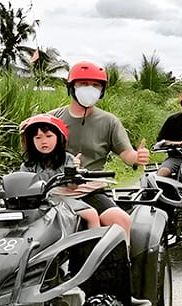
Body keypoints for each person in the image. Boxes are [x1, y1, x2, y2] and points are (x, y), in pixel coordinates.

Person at [49, 61, 149, 235]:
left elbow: (126, 153)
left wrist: (137, 157)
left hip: (90, 189)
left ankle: (120, 262)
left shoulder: (109, 122)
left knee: (121, 220)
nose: (89, 88)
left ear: (102, 90)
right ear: (71, 87)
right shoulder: (51, 119)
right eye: (83, 84)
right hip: (54, 189)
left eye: (95, 85)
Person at [17, 114, 101, 230]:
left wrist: (74, 171)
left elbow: (72, 187)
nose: (44, 141)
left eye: (49, 136)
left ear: (59, 138)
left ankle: (93, 245)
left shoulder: (68, 159)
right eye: (38, 137)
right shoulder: (27, 166)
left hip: (63, 199)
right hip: (37, 205)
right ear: (31, 141)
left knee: (91, 215)